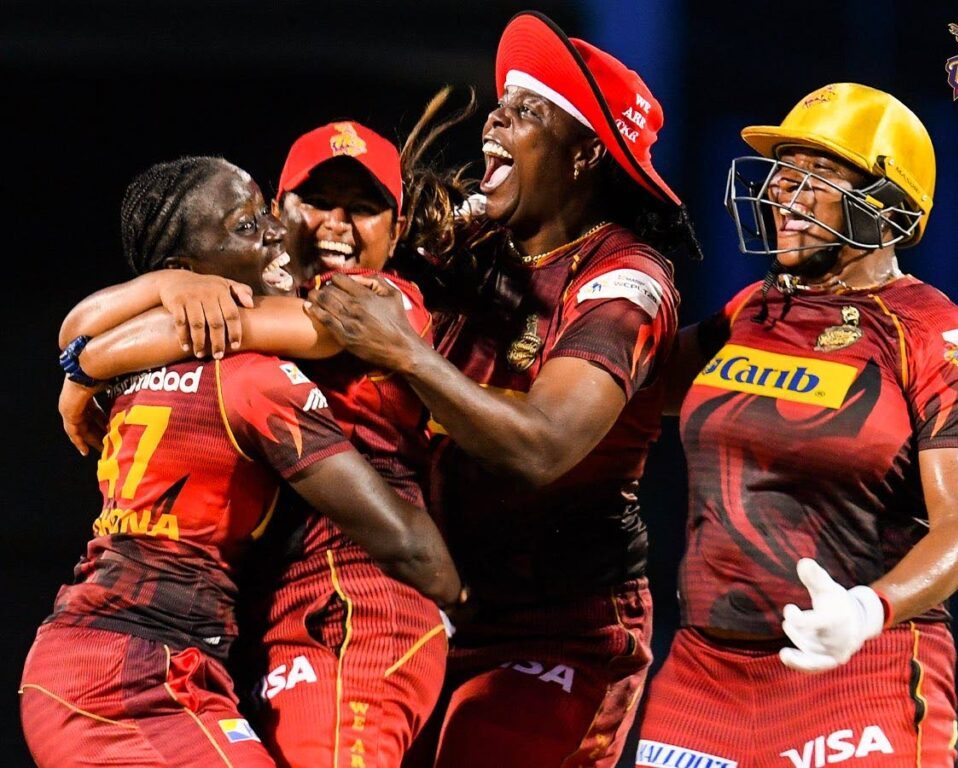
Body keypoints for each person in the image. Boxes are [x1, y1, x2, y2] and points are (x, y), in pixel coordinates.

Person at [301, 12, 699, 767]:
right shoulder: (476, 243)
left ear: (585, 153)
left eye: (528, 110)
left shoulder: (626, 281)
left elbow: (543, 448)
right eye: (502, 101)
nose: (496, 115)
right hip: (423, 601)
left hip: (558, 629)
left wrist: (406, 352)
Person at [55, 117, 472, 767]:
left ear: (395, 229)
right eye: (317, 202)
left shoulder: (378, 302)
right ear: (281, 212)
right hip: (253, 610)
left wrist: (85, 367)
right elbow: (82, 321)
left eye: (364, 208)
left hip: (356, 596)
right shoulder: (256, 300)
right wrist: (164, 289)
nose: (337, 223)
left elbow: (208, 328)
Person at [635, 83, 958, 768]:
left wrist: (868, 610)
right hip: (701, 681)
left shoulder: (939, 339)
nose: (785, 193)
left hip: (862, 676)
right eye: (784, 173)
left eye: (819, 176)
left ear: (889, 208)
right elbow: (622, 387)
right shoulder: (754, 309)